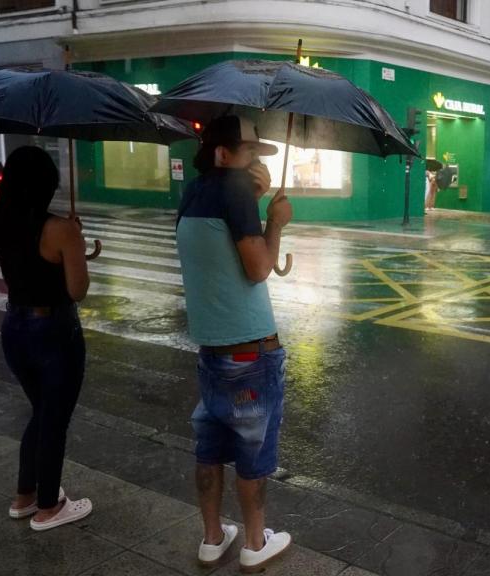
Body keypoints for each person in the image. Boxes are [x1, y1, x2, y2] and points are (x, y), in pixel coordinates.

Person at [176, 115, 293, 572]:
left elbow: (217, 249)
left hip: (212, 349)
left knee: (210, 445)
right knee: (253, 448)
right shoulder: (235, 191)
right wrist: (275, 221)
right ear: (222, 154)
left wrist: (255, 201)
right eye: (247, 155)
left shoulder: (194, 192)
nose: (253, 165)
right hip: (252, 349)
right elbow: (258, 268)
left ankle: (211, 539)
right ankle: (254, 542)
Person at [0, 146, 93, 531]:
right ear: (48, 184)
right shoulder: (60, 229)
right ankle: (49, 506)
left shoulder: (0, 223)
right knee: (54, 419)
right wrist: (76, 243)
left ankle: (25, 495)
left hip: (14, 328)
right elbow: (77, 289)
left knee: (41, 413)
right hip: (54, 332)